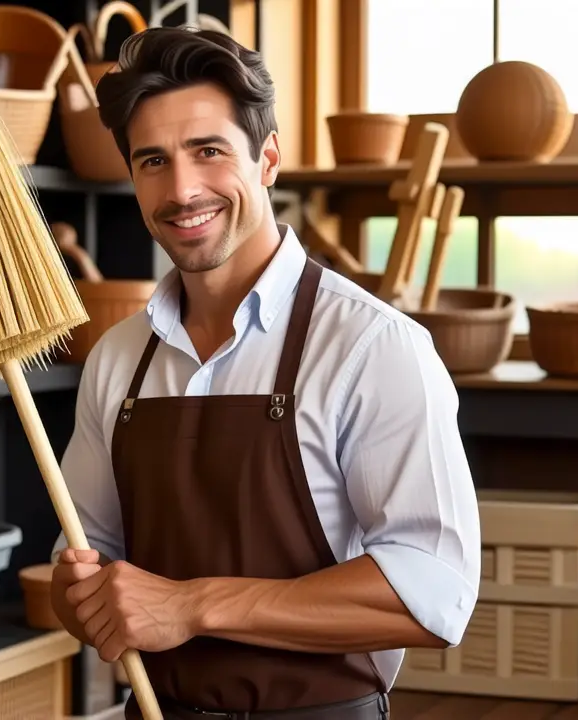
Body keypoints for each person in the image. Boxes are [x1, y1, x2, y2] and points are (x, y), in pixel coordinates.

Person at [48, 26, 481, 720]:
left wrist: (193, 606)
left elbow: (433, 593)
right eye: (153, 161)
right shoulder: (117, 359)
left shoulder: (373, 347)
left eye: (209, 151)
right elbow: (88, 567)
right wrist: (82, 598)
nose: (182, 189)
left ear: (268, 159)